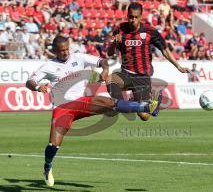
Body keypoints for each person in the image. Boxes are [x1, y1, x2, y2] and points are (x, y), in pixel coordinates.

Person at [26, 35, 162, 187]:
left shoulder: (78, 57)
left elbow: (102, 61)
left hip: (81, 102)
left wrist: (105, 69)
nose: (65, 53)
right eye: (61, 50)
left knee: (111, 104)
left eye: (66, 49)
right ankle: (47, 167)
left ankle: (146, 106)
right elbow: (29, 81)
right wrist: (38, 87)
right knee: (54, 145)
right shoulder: (48, 66)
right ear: (55, 51)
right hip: (62, 107)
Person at [107, 2, 191, 121]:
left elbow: (165, 50)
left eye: (136, 17)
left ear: (141, 17)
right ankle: (120, 105)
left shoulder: (150, 31)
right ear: (127, 16)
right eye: (131, 17)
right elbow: (110, 53)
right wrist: (114, 43)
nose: (133, 20)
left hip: (142, 77)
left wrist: (178, 66)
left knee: (144, 116)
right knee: (111, 80)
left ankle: (152, 100)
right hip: (125, 73)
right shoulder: (120, 29)